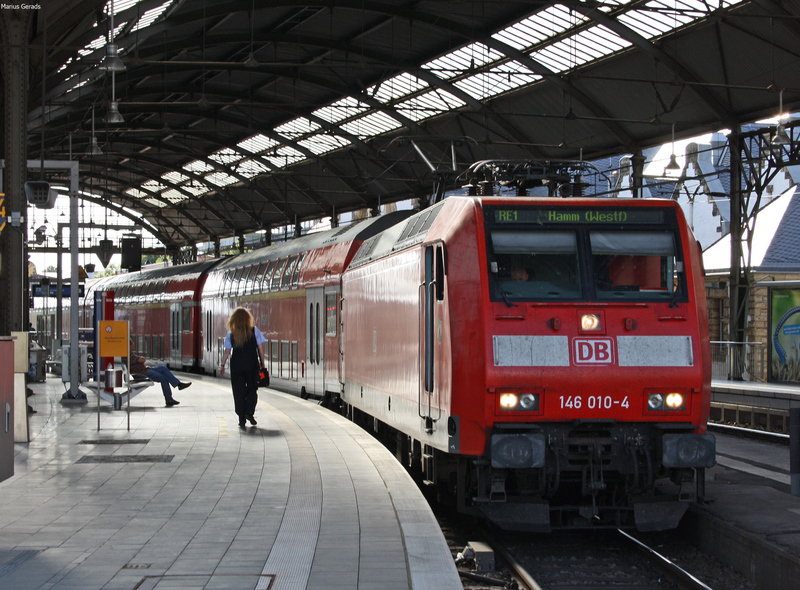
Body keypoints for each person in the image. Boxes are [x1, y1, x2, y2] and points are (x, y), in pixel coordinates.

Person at [219, 307, 266, 428]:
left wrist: (223, 365)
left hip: (237, 366)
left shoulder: (231, 334)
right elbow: (261, 348)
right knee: (252, 389)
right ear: (248, 319)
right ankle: (249, 412)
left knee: (238, 391)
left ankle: (241, 418)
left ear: (234, 320)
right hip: (251, 365)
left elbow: (227, 351)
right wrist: (262, 363)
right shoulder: (254, 331)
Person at [129, 340, 191, 407]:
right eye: (132, 344)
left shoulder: (129, 354)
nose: (133, 346)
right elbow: (142, 360)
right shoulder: (129, 355)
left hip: (143, 371)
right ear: (129, 346)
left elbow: (138, 361)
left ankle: (179, 384)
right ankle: (169, 399)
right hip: (142, 373)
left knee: (163, 368)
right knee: (163, 378)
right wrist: (142, 359)